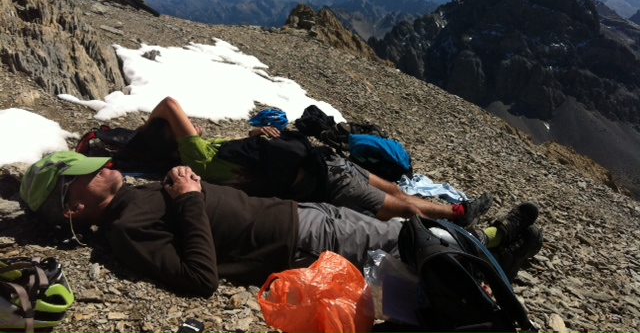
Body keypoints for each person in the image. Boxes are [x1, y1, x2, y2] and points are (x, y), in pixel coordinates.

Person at [20, 152, 542, 297]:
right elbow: (200, 277)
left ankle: (480, 247)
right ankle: (489, 251)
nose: (99, 167)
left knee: (392, 233)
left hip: (296, 217)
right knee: (404, 239)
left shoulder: (129, 201)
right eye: (80, 174)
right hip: (295, 240)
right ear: (72, 209)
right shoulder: (125, 232)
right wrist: (188, 198)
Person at [133, 96, 493, 226]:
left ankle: (452, 213)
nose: (194, 126)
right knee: (396, 207)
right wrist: (148, 131)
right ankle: (457, 216)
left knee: (397, 191)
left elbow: (252, 160)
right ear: (175, 141)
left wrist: (256, 138)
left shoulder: (209, 153)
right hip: (326, 181)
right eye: (183, 131)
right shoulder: (197, 157)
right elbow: (168, 104)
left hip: (327, 161)